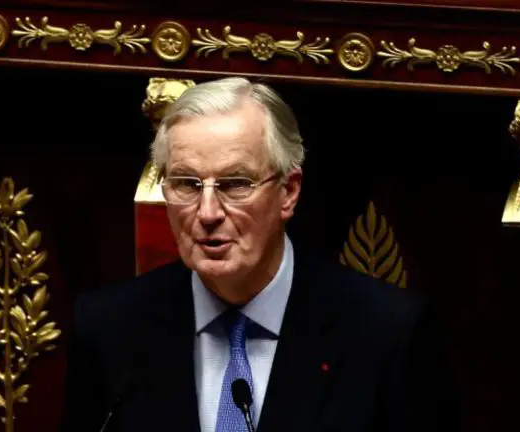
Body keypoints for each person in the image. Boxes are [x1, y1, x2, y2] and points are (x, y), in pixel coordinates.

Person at [61, 77, 457, 432]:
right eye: (187, 184)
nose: (208, 213)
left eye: (235, 184)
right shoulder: (109, 328)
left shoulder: (386, 333)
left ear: (288, 192)